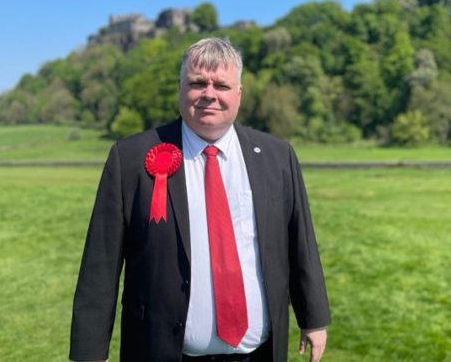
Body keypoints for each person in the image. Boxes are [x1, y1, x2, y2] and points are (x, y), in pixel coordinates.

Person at [70, 37, 330, 362]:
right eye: (197, 83)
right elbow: (101, 261)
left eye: (221, 84)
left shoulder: (277, 155)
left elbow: (300, 241)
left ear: (239, 93)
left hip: (258, 353)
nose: (209, 94)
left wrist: (314, 317)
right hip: (162, 351)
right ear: (180, 87)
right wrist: (89, 352)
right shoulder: (131, 158)